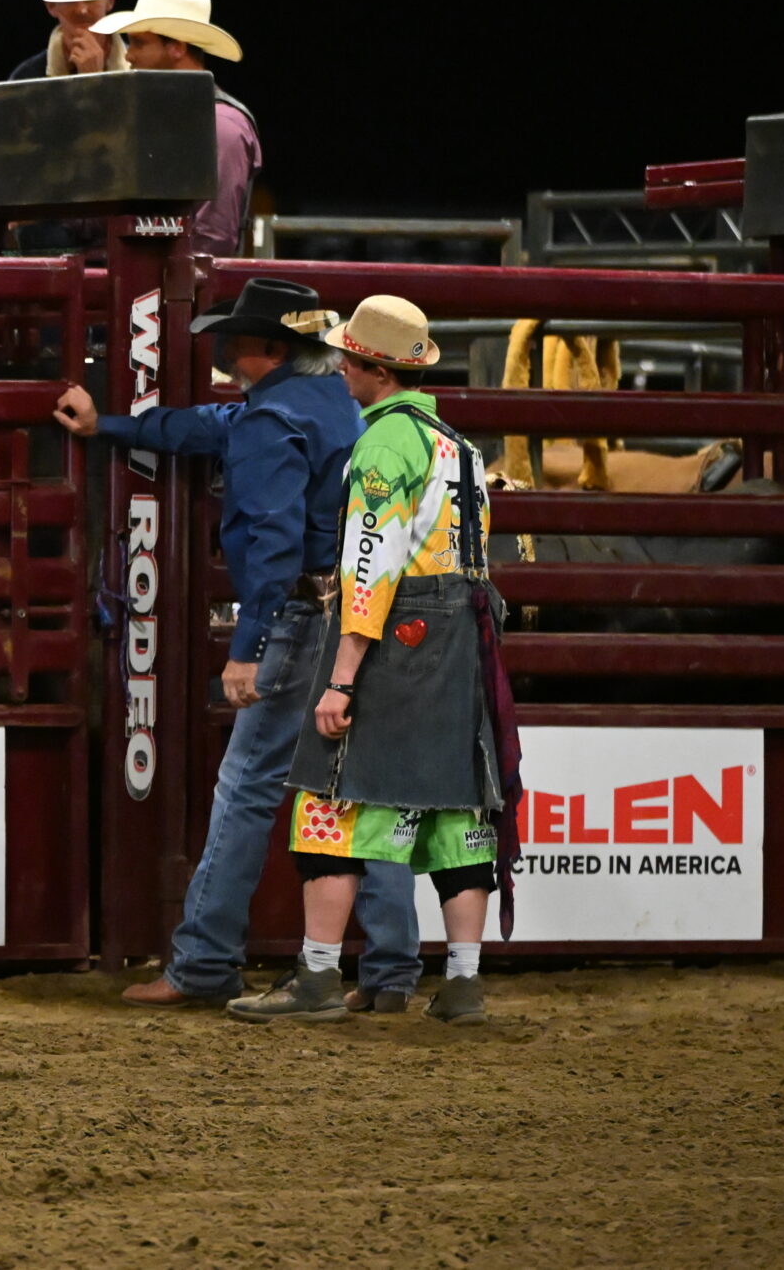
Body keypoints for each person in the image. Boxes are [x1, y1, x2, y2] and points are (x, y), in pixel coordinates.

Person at [54, 278, 422, 1012]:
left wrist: (249, 644)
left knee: (248, 784)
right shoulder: (334, 403)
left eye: (234, 335)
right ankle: (390, 972)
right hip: (364, 612)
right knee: (358, 785)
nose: (222, 346)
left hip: (301, 616)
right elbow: (212, 425)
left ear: (266, 347)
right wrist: (111, 425)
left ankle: (203, 960)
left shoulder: (270, 418)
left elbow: (273, 539)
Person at [230, 295, 511, 1028]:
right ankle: (463, 982)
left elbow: (370, 566)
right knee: (456, 801)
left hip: (399, 632)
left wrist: (342, 677)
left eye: (351, 361)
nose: (341, 371)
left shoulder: (384, 445)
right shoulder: (458, 445)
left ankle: (319, 973)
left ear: (376, 372)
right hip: (462, 636)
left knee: (330, 792)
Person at [93, 0, 260, 259]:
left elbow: (212, 239)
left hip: (177, 280)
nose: (129, 55)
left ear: (177, 48)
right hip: (138, 273)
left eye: (139, 43)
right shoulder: (149, 119)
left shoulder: (221, 126)